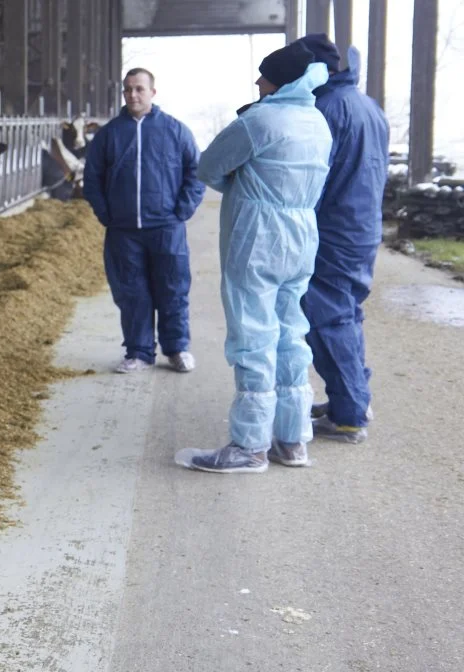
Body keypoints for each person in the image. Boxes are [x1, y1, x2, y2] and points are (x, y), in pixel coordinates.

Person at [175, 41, 333, 473]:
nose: (258, 82)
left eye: (264, 75)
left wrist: (243, 190)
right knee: (290, 335)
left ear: (279, 80)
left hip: (258, 239)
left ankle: (249, 446)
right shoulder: (317, 121)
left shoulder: (259, 120)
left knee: (253, 338)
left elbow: (209, 167)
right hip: (302, 236)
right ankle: (293, 439)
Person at [294, 34, 390, 445]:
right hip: (362, 228)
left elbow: (311, 179)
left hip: (333, 231)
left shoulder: (326, 109)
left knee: (329, 320)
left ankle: (349, 414)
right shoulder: (369, 106)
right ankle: (350, 399)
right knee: (347, 316)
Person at [83, 68, 206, 374]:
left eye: (139, 89)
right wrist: (106, 213)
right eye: (128, 90)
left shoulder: (175, 130)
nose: (133, 95)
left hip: (166, 227)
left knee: (172, 289)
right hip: (124, 230)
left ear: (153, 92)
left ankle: (177, 349)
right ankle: (139, 352)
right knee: (131, 291)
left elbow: (197, 171)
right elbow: (92, 178)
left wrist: (182, 210)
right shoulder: (109, 134)